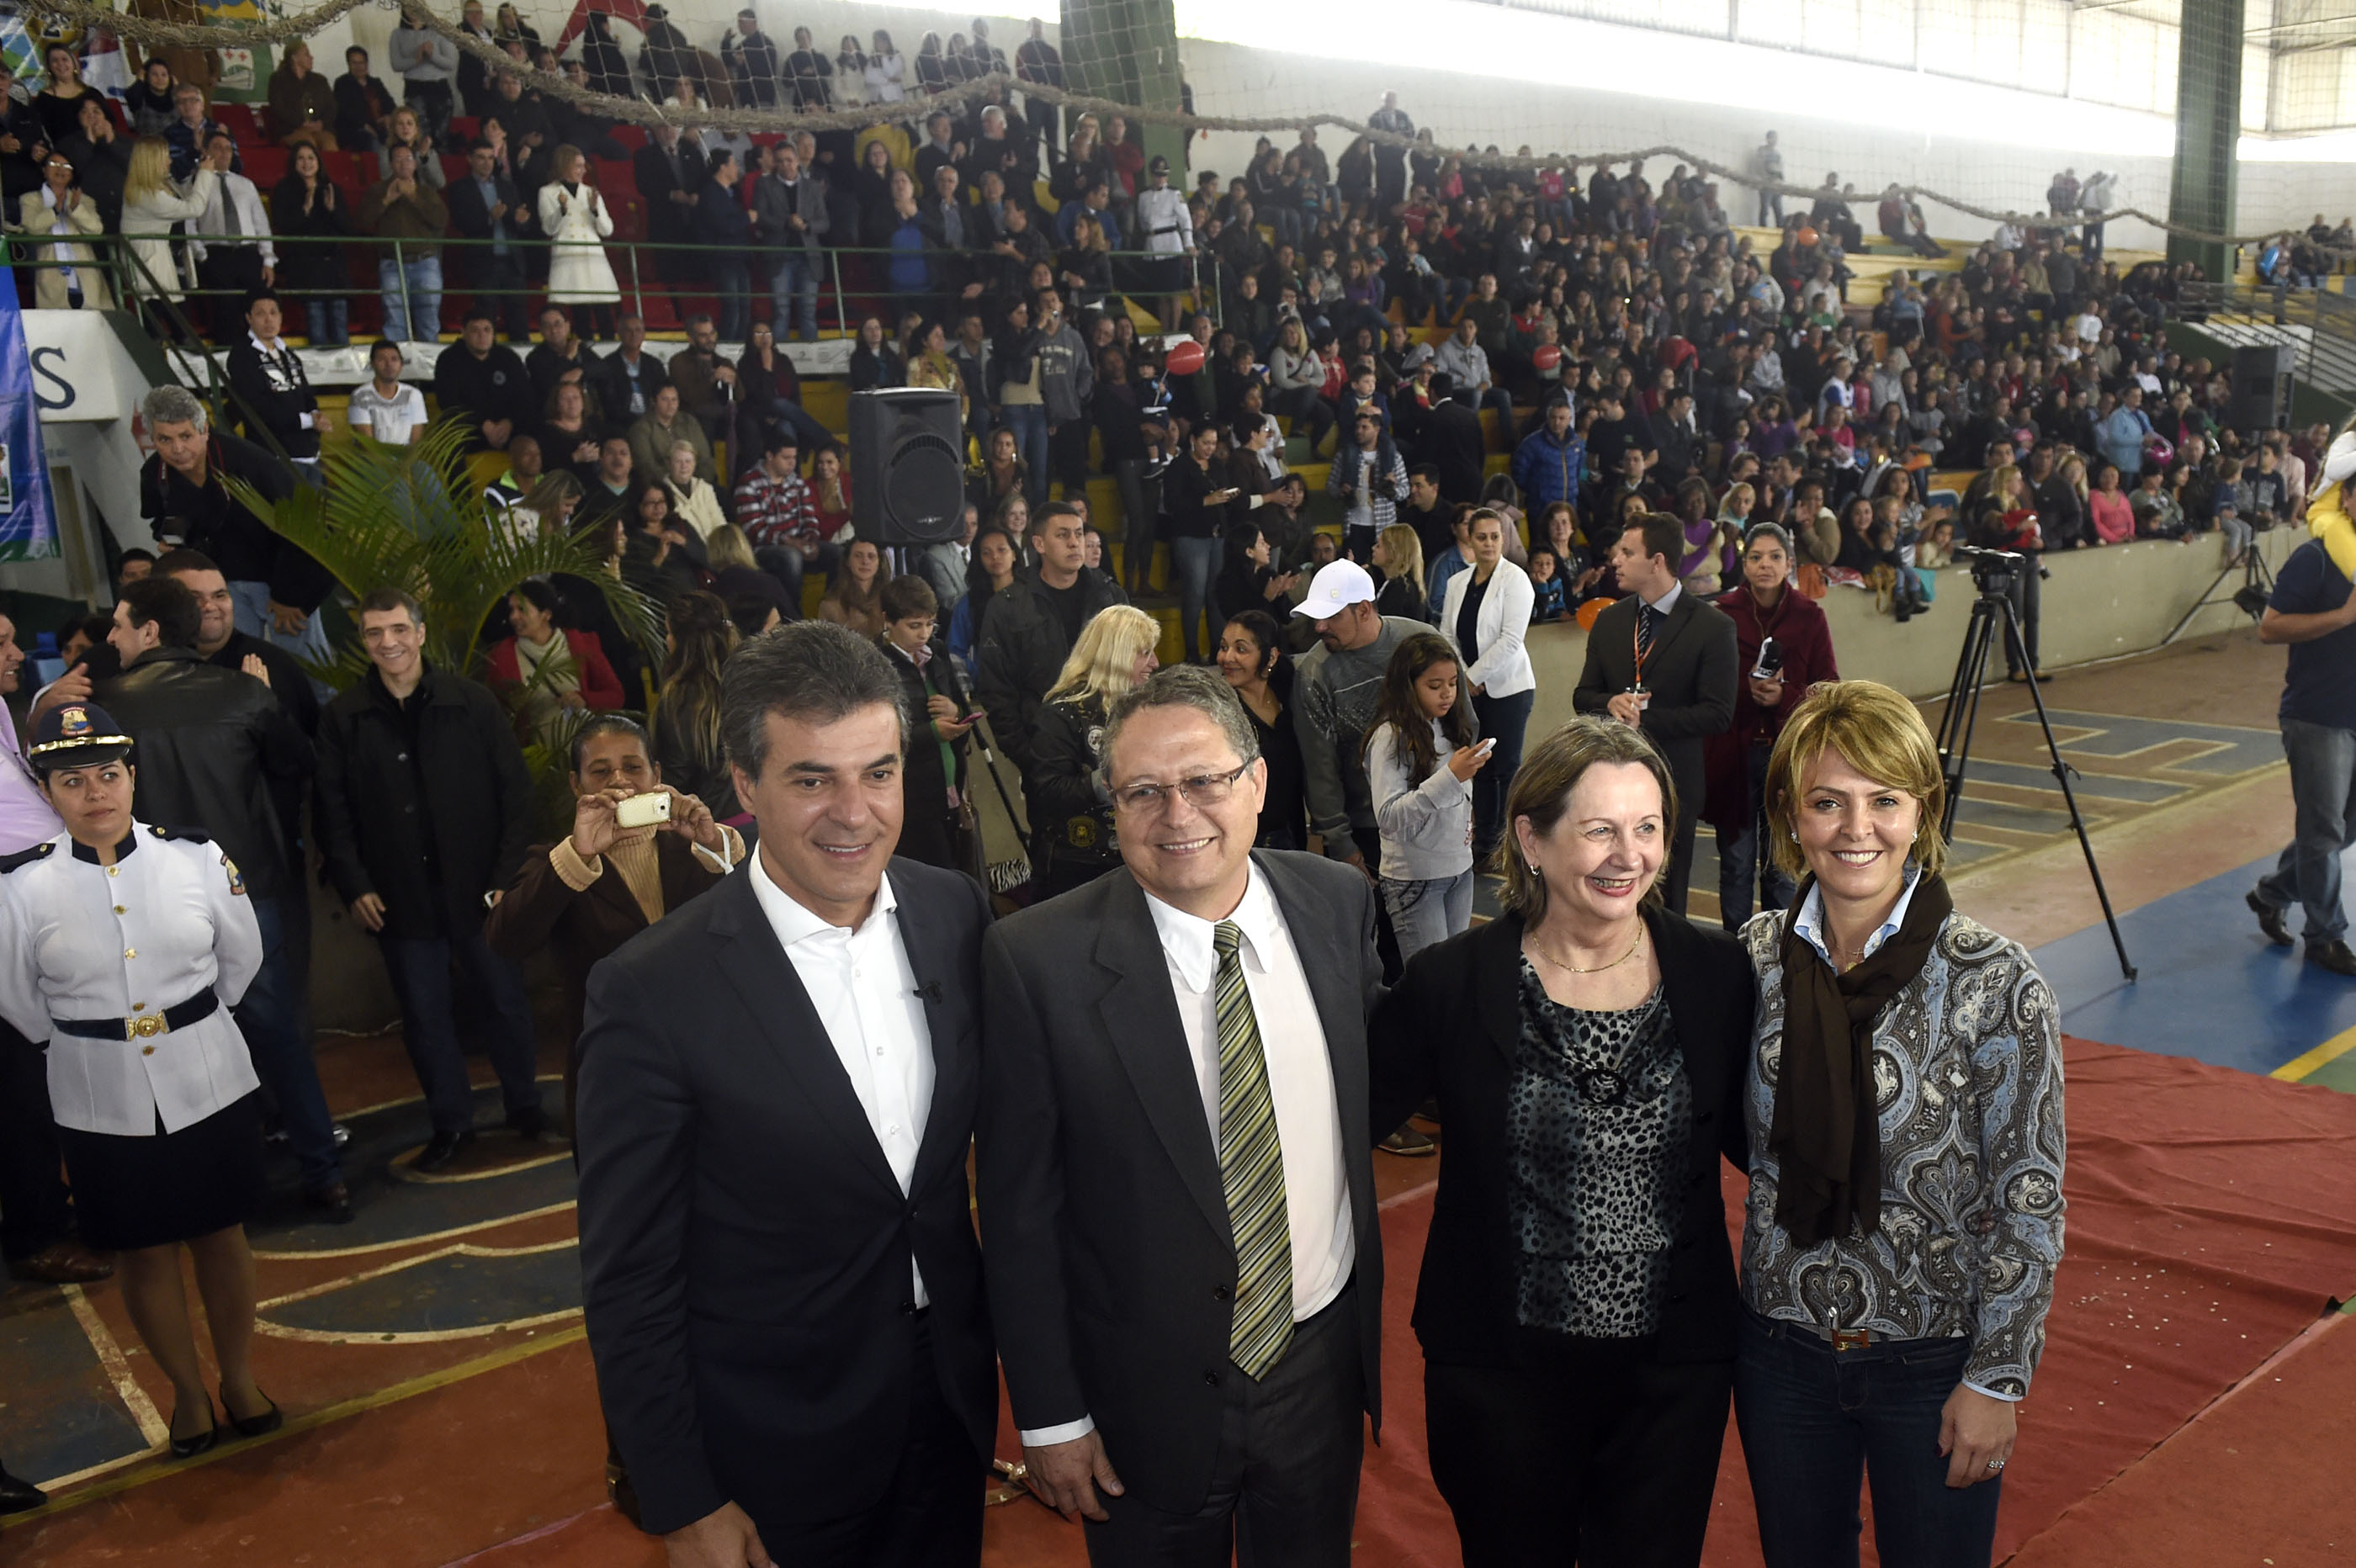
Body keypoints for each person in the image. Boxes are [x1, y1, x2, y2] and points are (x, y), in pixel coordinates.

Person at [577, 622, 997, 1565]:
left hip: (950, 1408)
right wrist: (683, 1498)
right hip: (770, 1451)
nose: (855, 813)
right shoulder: (650, 990)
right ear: (743, 785)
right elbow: (628, 1277)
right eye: (813, 779)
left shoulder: (953, 912)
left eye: (878, 773)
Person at [977, 664, 1386, 1565]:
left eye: (1204, 780)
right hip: (1139, 1399)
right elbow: (1018, 1216)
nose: (1178, 813)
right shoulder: (1033, 960)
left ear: (1257, 781)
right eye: (1143, 791)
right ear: (1111, 805)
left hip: (1317, 1366)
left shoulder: (1335, 901)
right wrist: (1049, 1415)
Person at [1370, 715, 1754, 1565]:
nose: (1631, 854)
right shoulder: (1452, 982)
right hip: (1499, 1380)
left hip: (1671, 1381)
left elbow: (1762, 1142)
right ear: (1530, 840)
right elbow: (1339, 1117)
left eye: (1647, 827)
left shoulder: (1716, 973)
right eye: (1600, 829)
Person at [1735, 681, 2065, 1568]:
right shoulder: (1753, 959)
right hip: (1779, 1350)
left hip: (1932, 1359)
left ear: (1921, 810)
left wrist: (1996, 1375)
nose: (1857, 828)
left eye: (1884, 799)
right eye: (1827, 801)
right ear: (1789, 814)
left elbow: (2028, 1195)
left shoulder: (1992, 977)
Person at [0, 701, 284, 1458]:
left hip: (208, 1077)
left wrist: (180, 1026)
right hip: (100, 1094)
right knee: (143, 1250)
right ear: (48, 792)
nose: (95, 792)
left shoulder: (193, 858)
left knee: (222, 1235)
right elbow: (21, 1003)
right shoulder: (21, 890)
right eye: (72, 780)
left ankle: (239, 1377)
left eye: (108, 774)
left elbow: (241, 961)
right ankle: (188, 1395)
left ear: (132, 778)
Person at [95, 579, 345, 1220]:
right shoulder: (243, 693)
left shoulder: (109, 709)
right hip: (246, 889)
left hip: (152, 905)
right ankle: (324, 1169)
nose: (110, 639)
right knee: (277, 1034)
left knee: (180, 1045)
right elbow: (298, 762)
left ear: (150, 632)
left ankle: (218, 1190)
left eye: (119, 626)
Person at [314, 589, 545, 1171]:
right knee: (423, 1015)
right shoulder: (343, 719)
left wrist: (503, 878)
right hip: (397, 897)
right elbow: (331, 812)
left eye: (397, 629)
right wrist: (355, 884)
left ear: (419, 633)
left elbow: (516, 795)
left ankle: (527, 1108)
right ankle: (451, 1125)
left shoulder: (472, 704)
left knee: (505, 1001)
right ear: (364, 642)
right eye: (374, 633)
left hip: (480, 891)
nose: (387, 642)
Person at [484, 712, 740, 1115]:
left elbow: (757, 928)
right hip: (615, 1070)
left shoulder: (691, 848)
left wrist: (714, 845)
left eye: (633, 767)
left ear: (656, 774)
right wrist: (579, 854)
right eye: (600, 771)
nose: (619, 780)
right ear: (576, 784)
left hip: (709, 1056)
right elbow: (506, 940)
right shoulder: (560, 863)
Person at [0, 614, 113, 1287]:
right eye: (4, 645)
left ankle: (52, 1212)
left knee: (44, 1073)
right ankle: (37, 1232)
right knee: (18, 1080)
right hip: (9, 915)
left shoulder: (6, 711)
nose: (18, 654)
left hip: (35, 906)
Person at [1572, 514, 1738, 916]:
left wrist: (1646, 721)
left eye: (1628, 553)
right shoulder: (1610, 621)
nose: (1616, 560)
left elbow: (1718, 714)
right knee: (1613, 888)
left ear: (1658, 561)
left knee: (1668, 896)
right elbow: (1583, 696)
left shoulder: (1713, 626)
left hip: (1674, 781)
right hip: (1610, 780)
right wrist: (1609, 703)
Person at [1704, 523, 1838, 931]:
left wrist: (1786, 695)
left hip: (1788, 755)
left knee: (1782, 864)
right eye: (1756, 557)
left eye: (1774, 557)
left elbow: (1829, 687)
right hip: (1734, 753)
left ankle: (1782, 948)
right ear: (1744, 565)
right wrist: (1744, 690)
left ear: (1789, 563)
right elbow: (1708, 686)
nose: (1765, 565)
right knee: (1737, 862)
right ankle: (1734, 949)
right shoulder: (1723, 615)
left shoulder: (1809, 617)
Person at [138, 386, 332, 664]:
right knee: (233, 666)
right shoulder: (155, 474)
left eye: (186, 436)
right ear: (153, 439)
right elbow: (162, 518)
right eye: (164, 439)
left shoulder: (250, 461)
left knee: (307, 671)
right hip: (219, 589)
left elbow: (306, 527)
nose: (177, 449)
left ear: (204, 430)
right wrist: (172, 542)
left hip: (282, 582)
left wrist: (291, 598)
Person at [2249, 523, 2356, 974]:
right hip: (2319, 716)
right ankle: (2325, 936)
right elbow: (2270, 628)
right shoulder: (2316, 558)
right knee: (2323, 830)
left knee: (2340, 829)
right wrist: (2344, 615)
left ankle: (2272, 893)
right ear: (2347, 499)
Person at [1363, 632, 1488, 962]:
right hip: (1416, 878)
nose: (1447, 694)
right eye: (1434, 686)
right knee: (1432, 986)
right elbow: (1389, 818)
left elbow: (1458, 797)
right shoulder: (1390, 737)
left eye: (1452, 683)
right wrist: (1452, 777)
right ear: (1408, 686)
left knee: (1456, 973)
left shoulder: (1449, 727)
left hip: (1459, 868)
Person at [975, 502, 1128, 771]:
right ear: (1039, 544)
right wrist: (1025, 754)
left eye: (1079, 534)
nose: (1074, 543)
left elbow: (1136, 669)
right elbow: (996, 689)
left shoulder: (1111, 597)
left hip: (1113, 746)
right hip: (1044, 750)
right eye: (1062, 535)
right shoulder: (1007, 607)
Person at [1022, 604, 1160, 900]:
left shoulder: (1139, 709)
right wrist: (1115, 777)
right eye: (1145, 653)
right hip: (1076, 873)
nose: (1155, 663)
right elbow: (1047, 793)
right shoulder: (1060, 714)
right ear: (1117, 654)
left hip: (1133, 862)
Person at [1438, 507, 1536, 857]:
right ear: (1470, 539)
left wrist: (1472, 675)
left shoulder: (1516, 579)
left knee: (1507, 767)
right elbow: (1447, 635)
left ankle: (1512, 845)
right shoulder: (1456, 582)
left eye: (1496, 536)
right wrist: (1464, 676)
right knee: (1480, 767)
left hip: (1510, 689)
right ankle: (1483, 844)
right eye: (1482, 537)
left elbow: (1511, 639)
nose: (1490, 543)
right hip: (1469, 690)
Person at [878, 576, 982, 874]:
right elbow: (883, 738)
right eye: (914, 626)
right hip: (913, 796)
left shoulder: (936, 653)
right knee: (928, 874)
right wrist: (933, 733)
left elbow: (959, 708)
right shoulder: (878, 664)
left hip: (951, 786)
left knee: (961, 870)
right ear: (888, 621)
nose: (924, 634)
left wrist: (955, 710)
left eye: (930, 624)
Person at [1218, 611, 1307, 850]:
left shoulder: (1290, 696)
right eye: (1224, 647)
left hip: (1292, 831)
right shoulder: (1220, 709)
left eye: (1241, 649)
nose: (1227, 657)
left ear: (1271, 657)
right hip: (1248, 841)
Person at [358, 142, 448, 344]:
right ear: (391, 164)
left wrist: (413, 197)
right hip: (392, 263)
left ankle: (428, 373)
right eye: (398, 159)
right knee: (395, 323)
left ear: (415, 164)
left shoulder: (425, 191)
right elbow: (363, 222)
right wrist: (386, 201)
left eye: (408, 159)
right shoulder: (378, 190)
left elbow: (441, 220)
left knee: (429, 322)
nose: (403, 164)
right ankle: (398, 371)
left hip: (425, 262)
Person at [448, 138, 530, 343]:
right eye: (481, 158)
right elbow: (461, 223)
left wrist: (521, 221)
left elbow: (520, 221)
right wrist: (489, 218)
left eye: (490, 158)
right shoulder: (460, 188)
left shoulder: (507, 186)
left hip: (512, 262)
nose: (487, 163)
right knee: (486, 320)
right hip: (483, 262)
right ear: (470, 160)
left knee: (519, 319)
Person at [539, 145, 620, 343]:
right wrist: (562, 210)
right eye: (578, 166)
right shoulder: (548, 192)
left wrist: (595, 211)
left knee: (603, 312)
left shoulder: (590, 192)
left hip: (593, 257)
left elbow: (607, 230)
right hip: (569, 256)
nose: (583, 171)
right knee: (579, 312)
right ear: (564, 166)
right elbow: (549, 229)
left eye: (583, 166)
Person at [20, 151, 113, 312]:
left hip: (85, 275)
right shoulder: (30, 200)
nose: (60, 169)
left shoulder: (83, 200)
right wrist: (55, 210)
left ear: (72, 173)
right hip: (52, 275)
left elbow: (96, 230)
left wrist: (75, 208)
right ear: (43, 170)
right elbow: (32, 228)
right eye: (54, 164)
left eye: (66, 166)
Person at [433, 310, 532, 452]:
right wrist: (484, 424)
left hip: (507, 427)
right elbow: (448, 401)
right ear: (463, 332)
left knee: (534, 426)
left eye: (487, 330)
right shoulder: (449, 359)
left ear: (493, 333)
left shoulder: (508, 357)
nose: (482, 336)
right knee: (448, 432)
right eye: (475, 331)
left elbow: (525, 395)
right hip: (469, 428)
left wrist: (509, 422)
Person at [346, 339, 429, 446]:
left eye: (394, 359)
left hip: (407, 459)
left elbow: (416, 441)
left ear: (401, 364)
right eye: (382, 359)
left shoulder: (413, 395)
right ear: (372, 364)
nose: (389, 364)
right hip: (372, 460)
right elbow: (367, 445)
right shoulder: (360, 396)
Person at [818, 538, 891, 639]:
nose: (865, 561)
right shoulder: (830, 605)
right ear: (847, 562)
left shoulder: (890, 600)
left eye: (871, 556)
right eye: (858, 556)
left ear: (880, 563)